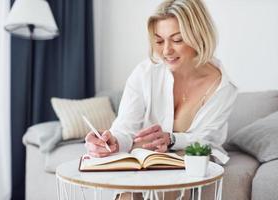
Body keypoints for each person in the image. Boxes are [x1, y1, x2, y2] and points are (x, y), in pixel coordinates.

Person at [85, 0, 237, 198]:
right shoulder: (145, 73)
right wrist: (112, 141)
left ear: (198, 37)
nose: (166, 51)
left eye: (177, 40)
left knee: (167, 184)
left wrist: (172, 139)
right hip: (148, 157)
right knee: (128, 194)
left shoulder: (222, 87)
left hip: (191, 157)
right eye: (159, 41)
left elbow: (206, 138)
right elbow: (125, 128)